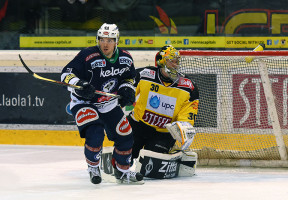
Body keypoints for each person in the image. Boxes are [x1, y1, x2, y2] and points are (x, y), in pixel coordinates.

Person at [60, 23, 143, 184]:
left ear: (116, 41)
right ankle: (93, 167)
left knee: (125, 134)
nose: (105, 43)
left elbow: (130, 77)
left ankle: (123, 170)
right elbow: (66, 74)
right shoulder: (87, 55)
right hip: (84, 102)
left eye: (110, 40)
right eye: (102, 39)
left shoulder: (125, 58)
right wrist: (80, 85)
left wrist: (127, 89)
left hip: (109, 104)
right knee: (95, 132)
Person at [128, 45, 200, 179]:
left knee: (151, 163)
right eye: (170, 60)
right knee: (125, 154)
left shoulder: (189, 87)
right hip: (138, 125)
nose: (175, 64)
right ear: (161, 61)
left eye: (176, 61)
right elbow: (126, 87)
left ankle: (170, 151)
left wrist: (183, 128)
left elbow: (186, 117)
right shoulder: (144, 75)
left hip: (164, 133)